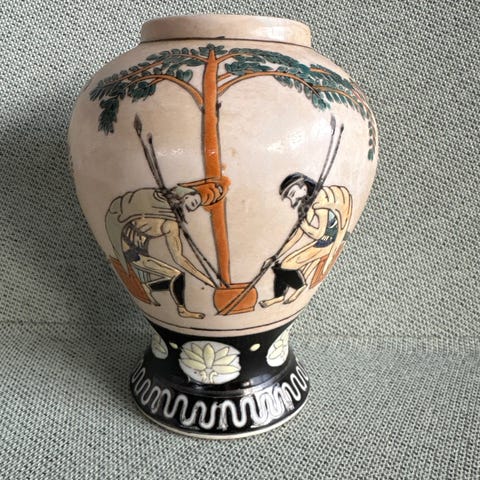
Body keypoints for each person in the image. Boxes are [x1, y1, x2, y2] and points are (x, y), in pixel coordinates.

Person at [105, 185, 216, 319]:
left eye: (196, 205)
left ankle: (149, 288)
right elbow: (179, 259)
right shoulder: (159, 208)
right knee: (177, 276)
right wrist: (206, 280)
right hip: (130, 250)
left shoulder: (169, 221)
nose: (195, 206)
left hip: (137, 250)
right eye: (195, 200)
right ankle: (180, 309)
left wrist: (206, 279)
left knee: (175, 276)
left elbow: (178, 258)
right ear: (186, 196)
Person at [259, 173, 352, 308]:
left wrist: (305, 226)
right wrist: (275, 257)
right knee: (280, 264)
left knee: (287, 264)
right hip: (320, 243)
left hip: (328, 243)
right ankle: (279, 297)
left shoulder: (320, 202)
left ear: (303, 187)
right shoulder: (305, 205)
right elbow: (296, 236)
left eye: (292, 194)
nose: (292, 200)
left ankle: (300, 287)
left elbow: (319, 234)